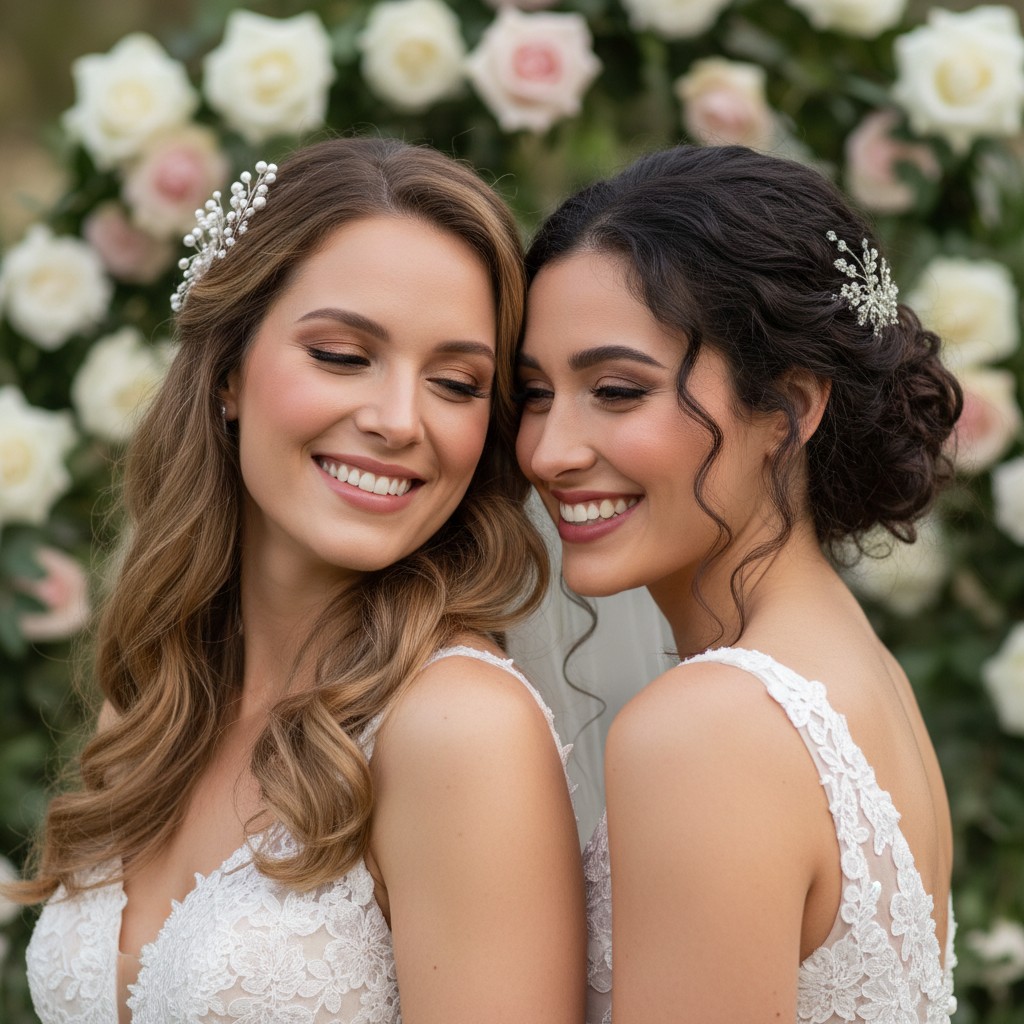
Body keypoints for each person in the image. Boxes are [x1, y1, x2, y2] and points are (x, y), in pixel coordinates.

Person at [14, 137, 585, 1024]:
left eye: (455, 382)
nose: (400, 421)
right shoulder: (159, 699)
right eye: (343, 356)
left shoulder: (458, 730)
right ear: (232, 370)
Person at [515, 143, 962, 1023]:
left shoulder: (712, 728)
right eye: (534, 393)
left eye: (614, 389)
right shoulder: (851, 670)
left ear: (789, 408)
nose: (548, 452)